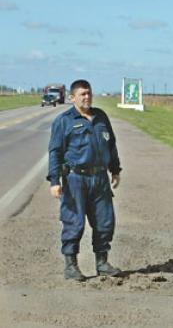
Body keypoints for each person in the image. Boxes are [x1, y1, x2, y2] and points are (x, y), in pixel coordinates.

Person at [47, 79, 122, 281]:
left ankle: (102, 263)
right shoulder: (64, 121)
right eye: (82, 94)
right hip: (75, 179)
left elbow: (111, 144)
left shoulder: (101, 117)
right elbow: (55, 152)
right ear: (72, 98)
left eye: (88, 93)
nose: (87, 97)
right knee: (74, 223)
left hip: (100, 179)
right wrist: (54, 181)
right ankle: (71, 266)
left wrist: (115, 170)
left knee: (105, 222)